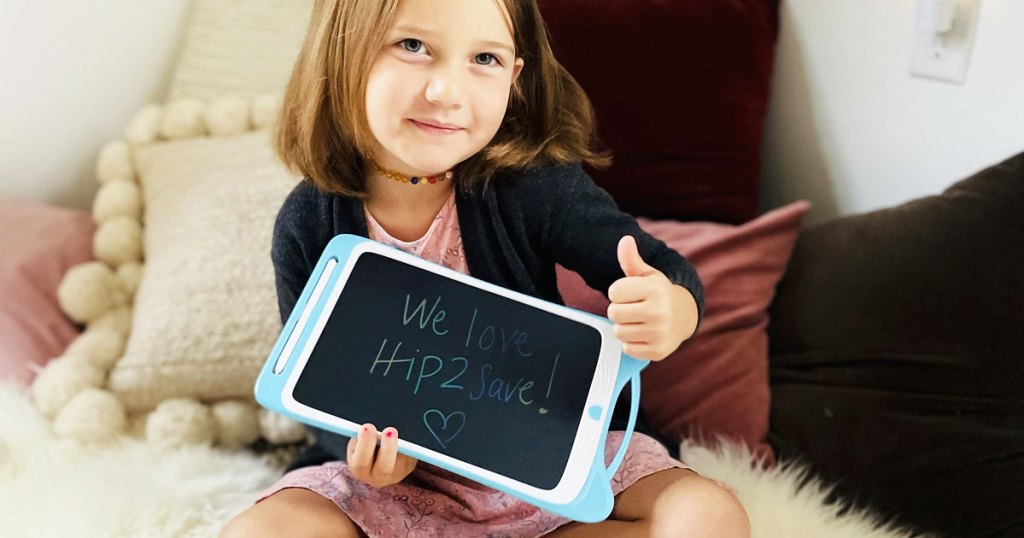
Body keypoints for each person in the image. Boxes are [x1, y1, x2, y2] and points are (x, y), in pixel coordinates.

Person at [222, 0, 750, 536]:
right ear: (343, 54)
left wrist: (670, 310)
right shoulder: (307, 221)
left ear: (514, 78)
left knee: (708, 518)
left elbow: (662, 270)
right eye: (413, 46)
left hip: (551, 459)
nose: (447, 92)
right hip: (398, 490)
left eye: (485, 59)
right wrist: (364, 456)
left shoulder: (533, 188)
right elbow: (310, 382)